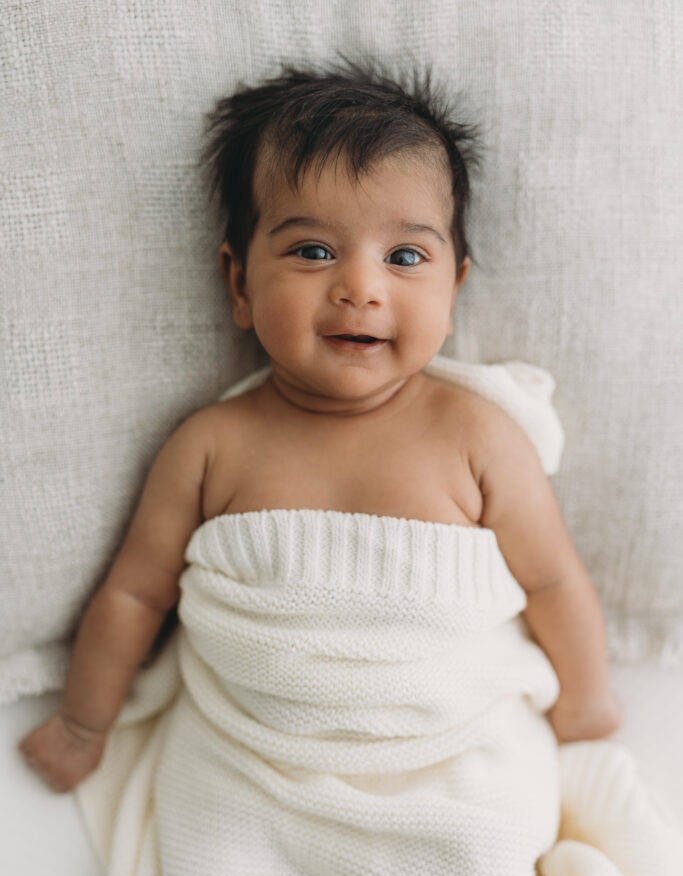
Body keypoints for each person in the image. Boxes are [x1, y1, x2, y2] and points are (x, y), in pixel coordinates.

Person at [19, 62, 621, 795]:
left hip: (446, 756)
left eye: (405, 257)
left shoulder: (477, 436)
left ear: (452, 288)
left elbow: (552, 580)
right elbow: (135, 596)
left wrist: (585, 705)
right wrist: (84, 725)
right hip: (257, 764)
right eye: (313, 251)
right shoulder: (211, 445)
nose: (360, 288)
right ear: (239, 283)